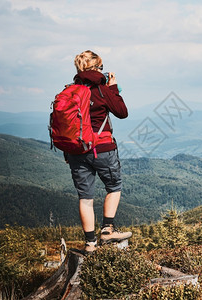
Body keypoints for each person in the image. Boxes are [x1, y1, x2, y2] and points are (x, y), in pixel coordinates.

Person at [65, 50, 132, 254]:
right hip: (102, 148)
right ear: (96, 68)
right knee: (114, 186)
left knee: (85, 196)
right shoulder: (102, 89)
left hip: (76, 150)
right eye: (101, 68)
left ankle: (90, 243)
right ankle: (107, 230)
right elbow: (122, 112)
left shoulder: (70, 91)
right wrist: (113, 88)